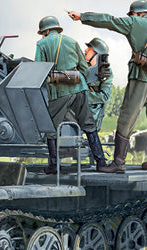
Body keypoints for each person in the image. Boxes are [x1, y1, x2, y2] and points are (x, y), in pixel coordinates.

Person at [67, 0, 147, 173]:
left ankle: (118, 163)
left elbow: (109, 20)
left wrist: (82, 17)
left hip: (141, 79)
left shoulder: (133, 23)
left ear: (137, 14)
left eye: (132, 14)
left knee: (126, 118)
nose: (130, 17)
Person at [35, 16, 107, 173]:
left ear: (46, 31)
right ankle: (101, 162)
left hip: (59, 91)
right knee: (89, 124)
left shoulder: (41, 44)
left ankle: (54, 165)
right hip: (79, 87)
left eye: (43, 32)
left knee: (51, 128)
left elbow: (39, 69)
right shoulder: (72, 41)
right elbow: (84, 68)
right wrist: (76, 80)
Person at [84, 37, 113, 132]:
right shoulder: (83, 67)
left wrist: (82, 97)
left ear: (97, 53)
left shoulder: (105, 72)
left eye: (89, 48)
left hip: (91, 111)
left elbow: (105, 96)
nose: (86, 50)